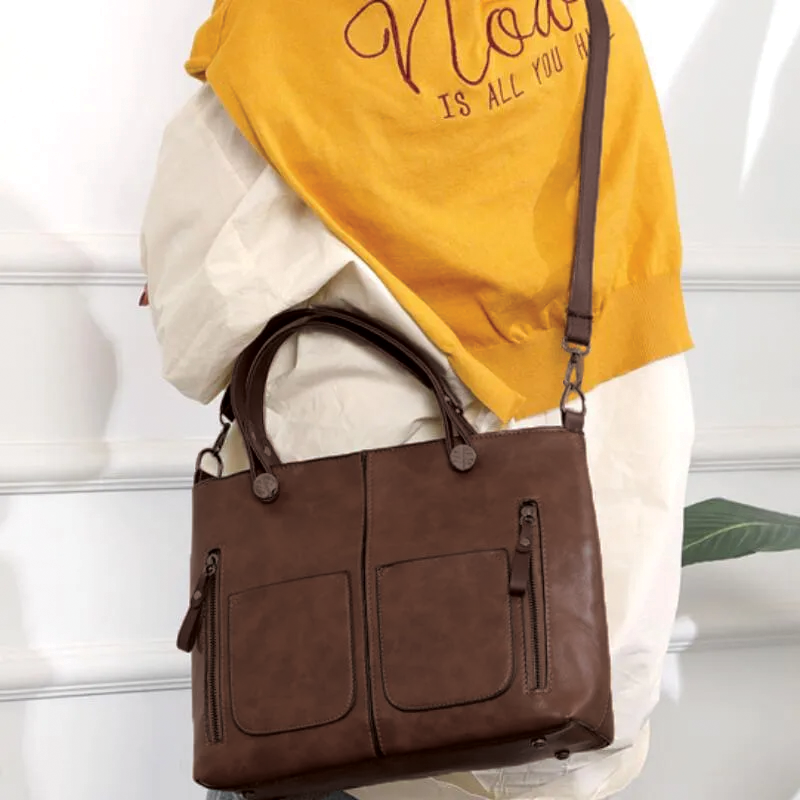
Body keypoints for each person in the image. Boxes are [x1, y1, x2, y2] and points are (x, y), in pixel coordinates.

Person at [141, 1, 694, 798]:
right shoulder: (596, 15)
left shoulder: (279, 25)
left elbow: (200, 306)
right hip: (596, 502)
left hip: (348, 611)